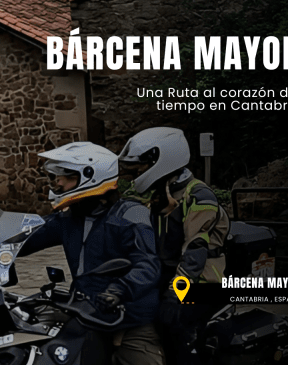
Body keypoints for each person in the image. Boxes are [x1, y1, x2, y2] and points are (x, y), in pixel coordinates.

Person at [20, 141, 164, 365]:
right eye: (56, 176)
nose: (57, 182)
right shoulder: (70, 218)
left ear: (90, 176)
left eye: (65, 176)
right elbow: (28, 236)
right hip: (86, 314)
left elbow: (148, 265)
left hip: (128, 319)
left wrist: (118, 289)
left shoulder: (130, 215)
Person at [119, 127, 230, 365]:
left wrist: (174, 296)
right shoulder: (158, 194)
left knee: (177, 331)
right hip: (167, 278)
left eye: (140, 166)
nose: (136, 171)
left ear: (162, 160)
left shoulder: (199, 197)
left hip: (200, 284)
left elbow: (194, 255)